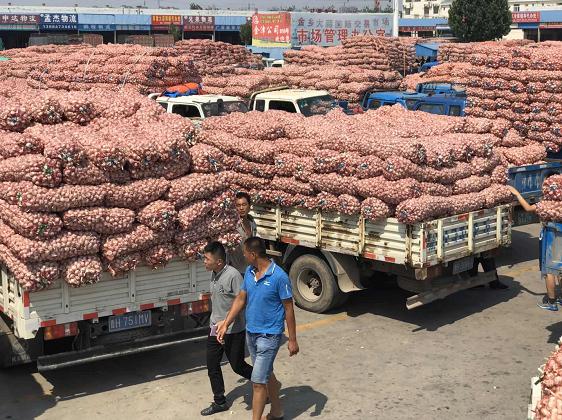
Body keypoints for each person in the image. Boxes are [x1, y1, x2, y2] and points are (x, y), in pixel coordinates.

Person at [217, 237, 299, 420]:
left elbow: (288, 308)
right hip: (251, 333)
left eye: (245, 253)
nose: (243, 256)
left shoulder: (279, 276)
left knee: (257, 382)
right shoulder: (249, 272)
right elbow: (241, 298)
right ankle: (277, 412)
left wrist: (292, 339)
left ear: (253, 254)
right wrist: (226, 322)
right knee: (266, 374)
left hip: (269, 336)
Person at [201, 241, 253, 416]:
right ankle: (219, 401)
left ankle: (263, 383)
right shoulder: (214, 274)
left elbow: (242, 301)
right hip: (215, 328)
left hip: (233, 330)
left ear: (219, 261)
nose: (204, 262)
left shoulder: (233, 276)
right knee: (212, 365)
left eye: (207, 259)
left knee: (238, 366)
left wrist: (227, 322)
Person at [509, 186, 559, 311]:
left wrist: (517, 193)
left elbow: (528, 208)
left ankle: (552, 302)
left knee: (549, 271)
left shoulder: (546, 205)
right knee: (560, 268)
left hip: (551, 234)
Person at [229, 191, 257, 274]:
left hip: (249, 269)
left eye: (244, 205)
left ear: (249, 206)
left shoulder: (252, 223)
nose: (241, 208)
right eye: (238, 205)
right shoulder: (232, 225)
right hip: (235, 270)